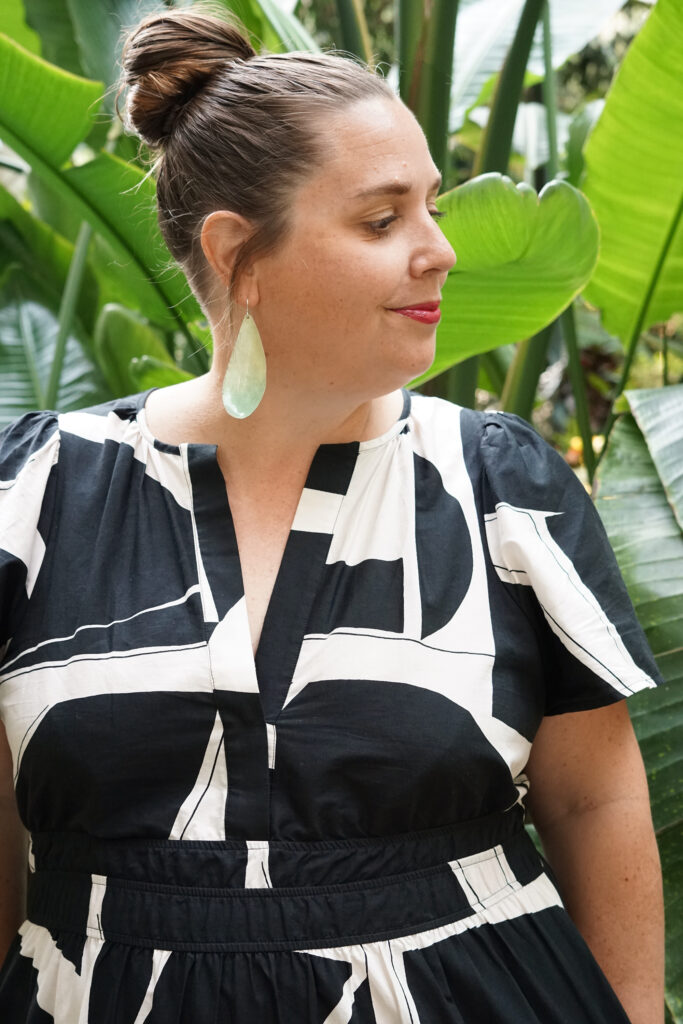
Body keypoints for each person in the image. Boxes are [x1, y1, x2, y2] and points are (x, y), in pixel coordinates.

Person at [0, 5, 665, 1023]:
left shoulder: (495, 485)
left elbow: (593, 799)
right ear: (236, 253)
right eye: (380, 218)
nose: (437, 250)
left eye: (431, 208)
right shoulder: (36, 496)